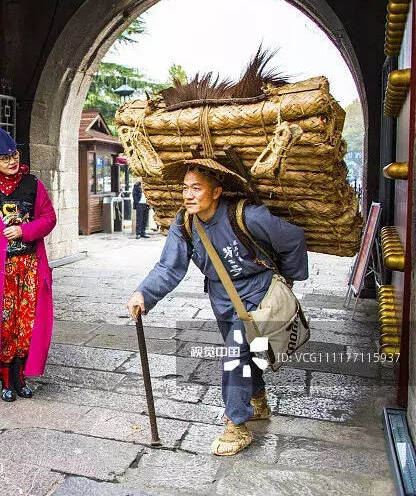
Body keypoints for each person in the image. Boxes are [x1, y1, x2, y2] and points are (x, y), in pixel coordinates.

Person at [125, 159, 308, 456]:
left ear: (217, 192)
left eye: (196, 188)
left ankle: (236, 423)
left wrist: (288, 279)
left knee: (235, 354)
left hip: (258, 293)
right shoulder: (185, 223)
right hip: (222, 298)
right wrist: (143, 293)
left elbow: (293, 238)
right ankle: (258, 400)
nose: (188, 195)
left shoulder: (247, 216)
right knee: (247, 349)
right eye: (185, 188)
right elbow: (169, 267)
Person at [0, 126, 57, 402]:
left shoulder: (34, 184)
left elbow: (49, 218)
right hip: (0, 269)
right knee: (4, 324)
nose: (12, 160)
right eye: (4, 157)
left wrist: (24, 231)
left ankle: (21, 376)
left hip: (29, 266)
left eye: (14, 154)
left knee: (27, 324)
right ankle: (6, 379)